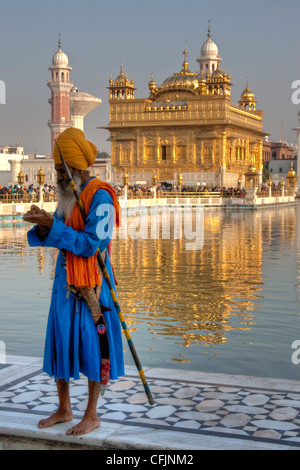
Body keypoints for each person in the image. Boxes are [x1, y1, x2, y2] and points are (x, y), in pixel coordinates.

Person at [23, 128, 124, 436]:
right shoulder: (69, 195)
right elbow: (57, 231)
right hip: (65, 284)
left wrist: (53, 227)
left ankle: (91, 414)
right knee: (60, 341)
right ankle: (64, 408)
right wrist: (43, 224)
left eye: (59, 170)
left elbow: (93, 244)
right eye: (55, 171)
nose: (56, 176)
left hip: (93, 285)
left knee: (95, 346)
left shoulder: (101, 196)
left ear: (76, 168)